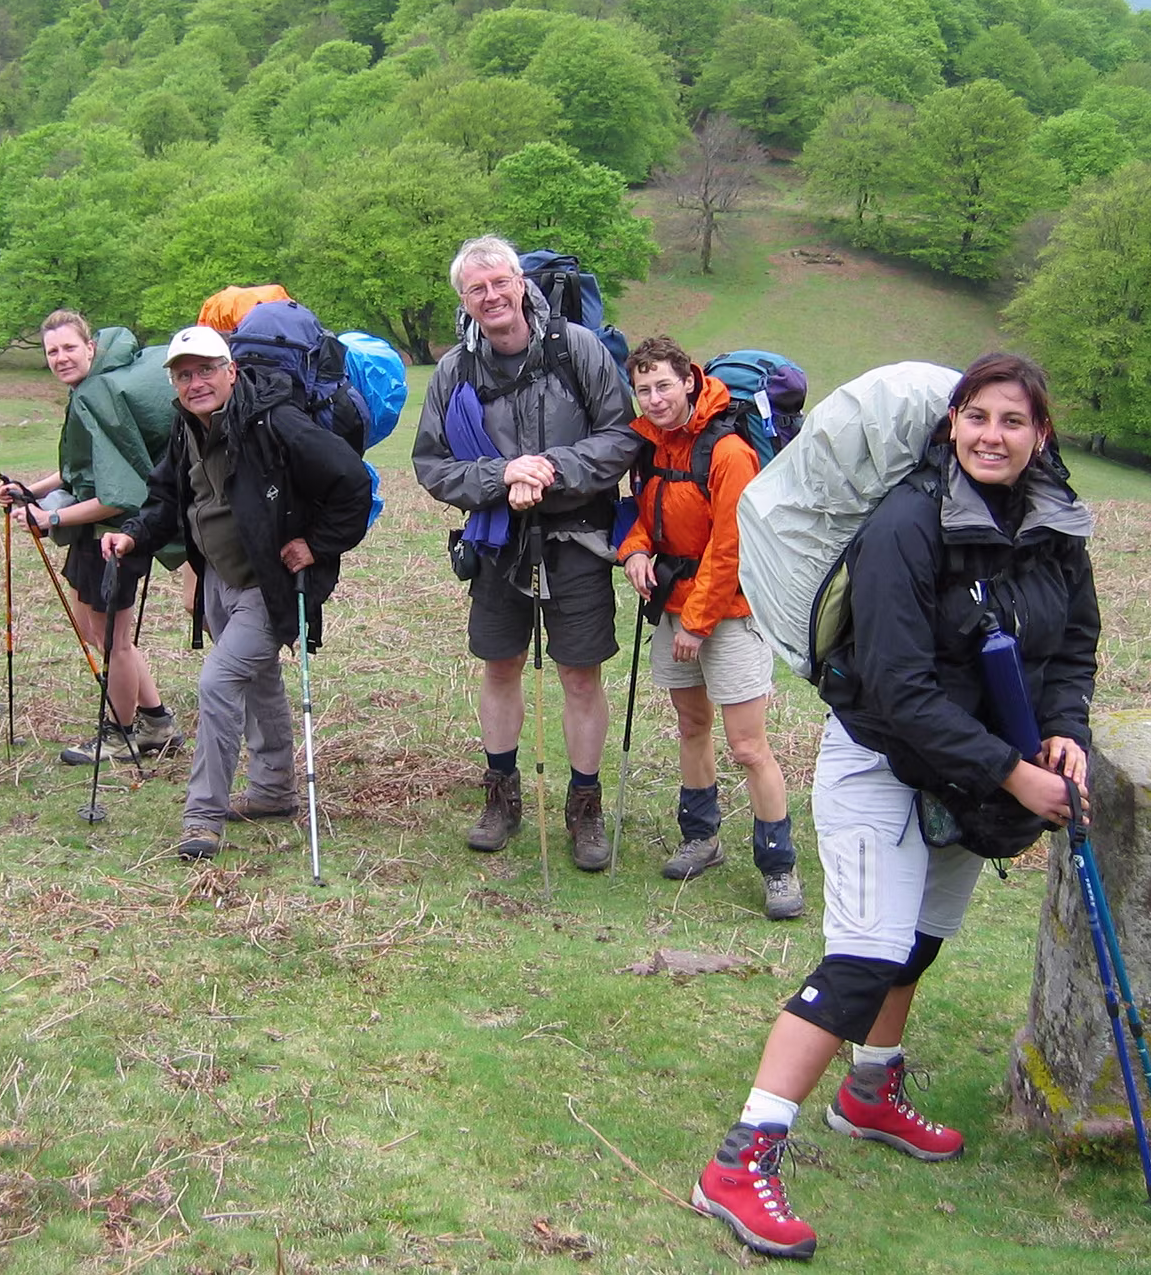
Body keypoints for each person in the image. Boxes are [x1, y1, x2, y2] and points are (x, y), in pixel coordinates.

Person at [692, 353, 1099, 1261]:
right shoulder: (908, 524)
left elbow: (1073, 646)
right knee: (865, 958)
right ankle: (739, 1162)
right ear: (953, 423)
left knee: (919, 941)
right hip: (881, 760)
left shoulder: (1053, 524)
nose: (993, 436)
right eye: (978, 417)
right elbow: (898, 688)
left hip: (978, 771)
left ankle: (869, 1092)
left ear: (1041, 435)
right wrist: (1014, 775)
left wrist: (1064, 732)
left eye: (1014, 421)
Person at [100, 326, 371, 860]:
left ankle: (202, 817)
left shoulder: (275, 421)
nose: (195, 383)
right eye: (184, 375)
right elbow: (167, 497)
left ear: (231, 371)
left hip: (268, 584)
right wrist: (132, 534)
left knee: (219, 682)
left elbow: (352, 481)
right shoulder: (186, 427)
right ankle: (272, 791)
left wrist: (316, 545)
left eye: (206, 370)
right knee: (258, 682)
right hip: (219, 579)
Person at [413, 236, 639, 870]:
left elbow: (622, 435)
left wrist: (549, 470)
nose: (491, 297)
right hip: (496, 539)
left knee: (579, 673)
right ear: (464, 300)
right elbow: (432, 464)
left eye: (499, 283)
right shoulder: (455, 370)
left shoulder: (578, 348)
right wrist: (503, 475)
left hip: (578, 536)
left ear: (520, 284)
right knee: (500, 665)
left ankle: (585, 806)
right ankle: (500, 796)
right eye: (476, 289)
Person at [616, 337, 804, 921]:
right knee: (692, 726)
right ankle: (701, 838)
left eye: (663, 386)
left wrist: (697, 624)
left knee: (748, 746)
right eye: (644, 390)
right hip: (675, 606)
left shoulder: (728, 451)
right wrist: (634, 551)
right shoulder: (651, 446)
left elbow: (732, 545)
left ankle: (779, 866)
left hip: (731, 615)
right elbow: (647, 516)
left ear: (688, 381)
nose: (654, 399)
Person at [0, 310, 180, 764]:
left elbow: (118, 497)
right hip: (90, 535)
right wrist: (31, 491)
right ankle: (157, 722)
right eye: (52, 351)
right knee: (95, 629)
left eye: (70, 347)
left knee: (114, 640)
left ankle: (120, 734)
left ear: (91, 348)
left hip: (115, 538)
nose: (61, 357)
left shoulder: (99, 395)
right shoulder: (88, 393)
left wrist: (51, 518)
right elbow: (84, 467)